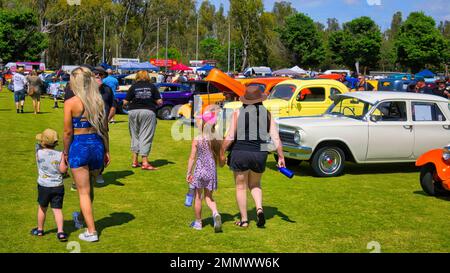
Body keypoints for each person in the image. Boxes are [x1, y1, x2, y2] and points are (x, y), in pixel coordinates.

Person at [220, 86, 286, 228]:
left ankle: (244, 220)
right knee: (255, 184)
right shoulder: (267, 114)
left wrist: (222, 151)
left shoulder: (238, 113)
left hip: (240, 152)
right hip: (260, 153)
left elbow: (230, 136)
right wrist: (281, 156)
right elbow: (275, 137)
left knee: (240, 187)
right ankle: (259, 209)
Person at [63, 66, 110, 242]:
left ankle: (91, 231)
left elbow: (68, 132)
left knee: (83, 191)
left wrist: (65, 153)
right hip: (97, 146)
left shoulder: (71, 103)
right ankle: (82, 218)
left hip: (79, 147)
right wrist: (106, 150)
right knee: (89, 187)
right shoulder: (98, 101)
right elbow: (104, 129)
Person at [186, 109, 223, 232]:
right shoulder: (216, 139)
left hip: (199, 170)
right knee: (209, 198)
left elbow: (192, 157)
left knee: (198, 197)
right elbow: (221, 158)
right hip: (211, 171)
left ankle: (198, 223)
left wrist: (188, 172)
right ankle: (215, 213)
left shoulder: (197, 138)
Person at [32, 129, 68, 242]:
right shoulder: (60, 154)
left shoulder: (39, 152)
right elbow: (63, 170)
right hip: (58, 185)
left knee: (42, 208)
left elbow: (37, 150)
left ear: (43, 142)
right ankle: (61, 232)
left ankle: (40, 230)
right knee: (57, 209)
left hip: (43, 185)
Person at [123, 70, 162, 170]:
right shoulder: (152, 87)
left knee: (135, 135)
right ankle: (145, 162)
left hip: (133, 112)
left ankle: (135, 161)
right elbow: (159, 102)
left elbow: (125, 101)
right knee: (146, 135)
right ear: (148, 76)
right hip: (148, 112)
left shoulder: (133, 87)